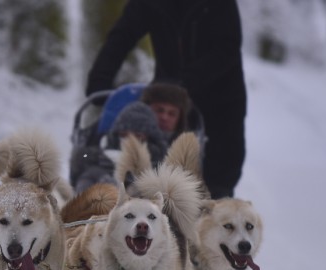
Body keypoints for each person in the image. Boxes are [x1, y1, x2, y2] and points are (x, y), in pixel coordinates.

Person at [84, 0, 247, 199]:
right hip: (168, 93)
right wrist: (100, 77)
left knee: (217, 178)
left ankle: (218, 205)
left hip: (220, 97)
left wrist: (186, 82)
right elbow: (122, 35)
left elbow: (227, 47)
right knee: (157, 160)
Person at [71, 101, 167, 194]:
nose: (129, 141)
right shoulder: (97, 163)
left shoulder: (163, 169)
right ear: (116, 136)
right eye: (124, 135)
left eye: (137, 136)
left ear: (151, 139)